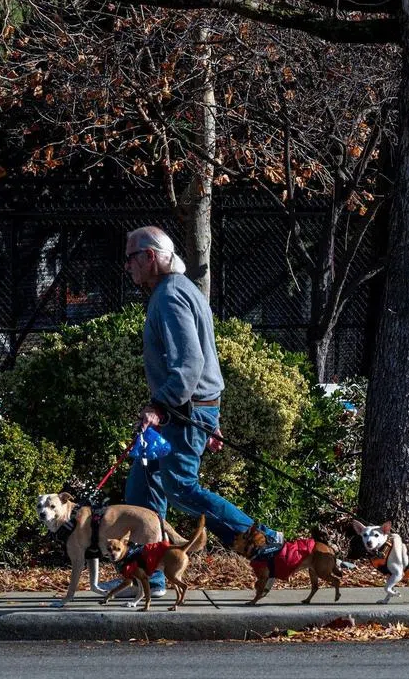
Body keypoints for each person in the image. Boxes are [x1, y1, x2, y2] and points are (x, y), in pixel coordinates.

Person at [101, 226, 282, 596]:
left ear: (150, 257)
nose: (127, 266)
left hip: (182, 411)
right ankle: (148, 577)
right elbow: (203, 359)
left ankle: (263, 543)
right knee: (142, 487)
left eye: (130, 257)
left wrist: (161, 405)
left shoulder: (170, 296)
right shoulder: (179, 291)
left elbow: (190, 361)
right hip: (188, 409)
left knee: (180, 487)